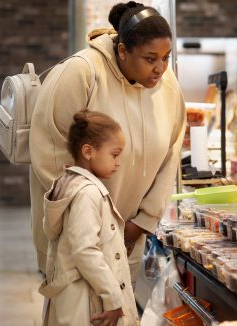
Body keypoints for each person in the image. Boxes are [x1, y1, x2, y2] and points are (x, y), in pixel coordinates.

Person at [29, 0, 186, 281]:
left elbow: (171, 153)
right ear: (123, 51)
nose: (160, 68)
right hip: (77, 233)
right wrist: (91, 223)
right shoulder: (81, 72)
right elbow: (49, 154)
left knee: (119, 313)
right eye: (150, 58)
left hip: (129, 234)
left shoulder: (168, 84)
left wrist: (142, 222)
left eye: (166, 57)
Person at [39, 111, 139, 326]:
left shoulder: (69, 183)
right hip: (86, 302)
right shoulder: (87, 193)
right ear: (88, 151)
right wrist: (112, 300)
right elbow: (85, 250)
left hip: (77, 296)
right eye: (114, 154)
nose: (118, 162)